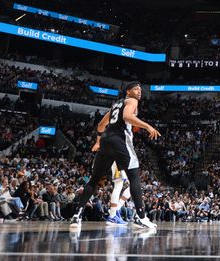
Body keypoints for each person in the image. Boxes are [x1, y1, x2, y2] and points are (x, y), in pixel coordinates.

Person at [69, 82, 161, 231]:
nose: (139, 92)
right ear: (128, 92)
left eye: (140, 89)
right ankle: (141, 217)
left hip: (106, 140)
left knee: (94, 180)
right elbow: (127, 117)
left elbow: (100, 125)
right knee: (134, 177)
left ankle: (76, 216)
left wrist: (98, 141)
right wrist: (147, 126)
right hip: (120, 141)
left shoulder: (114, 106)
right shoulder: (132, 101)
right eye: (136, 89)